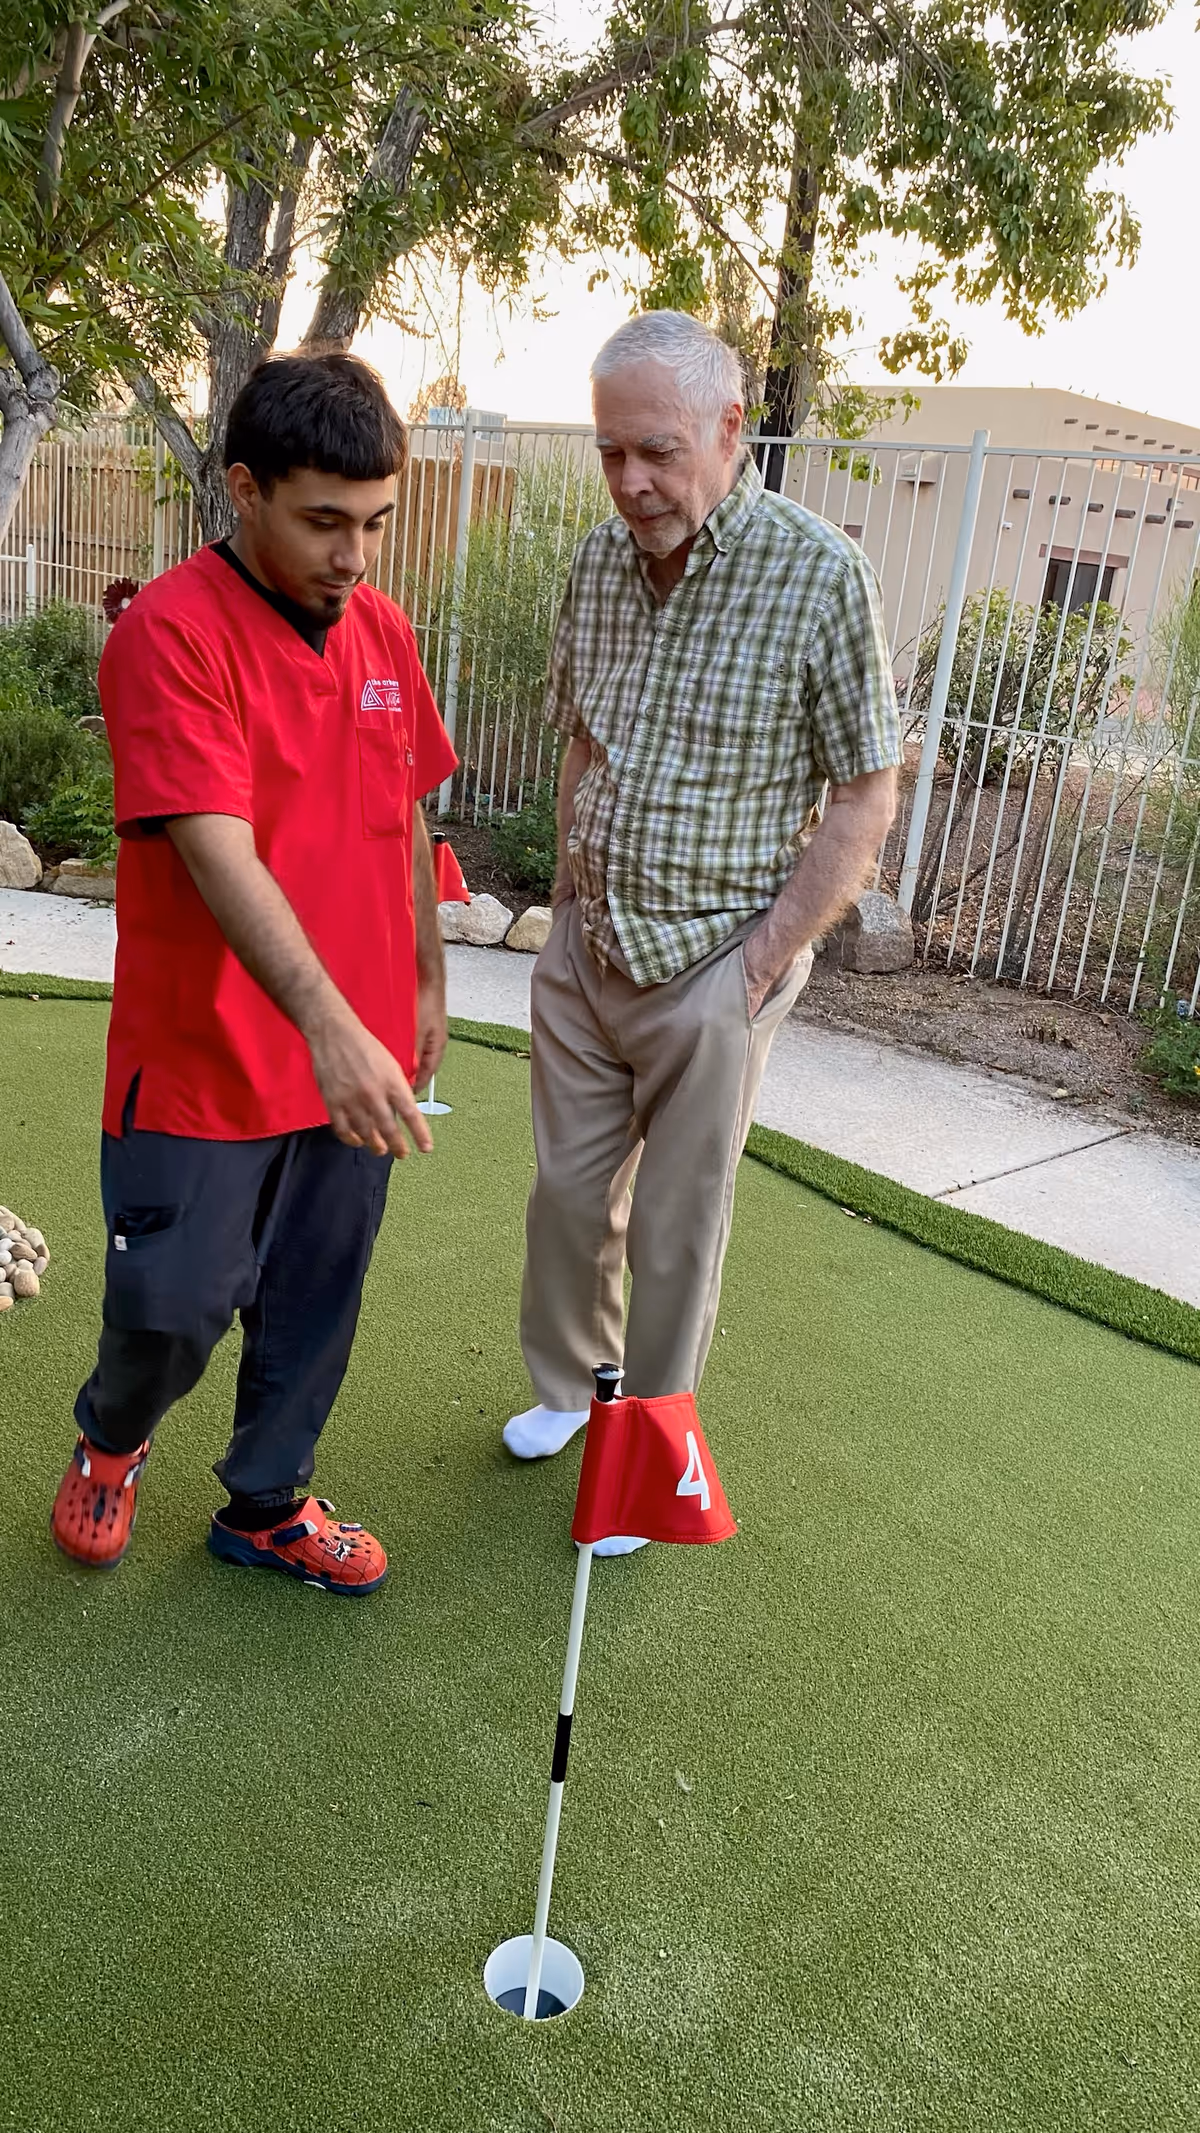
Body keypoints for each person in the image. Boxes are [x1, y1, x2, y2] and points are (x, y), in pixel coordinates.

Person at [51, 353, 457, 1596]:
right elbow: (215, 849)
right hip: (205, 1060)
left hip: (357, 1055)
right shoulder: (169, 635)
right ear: (244, 489)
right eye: (323, 520)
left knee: (317, 1294)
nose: (354, 554)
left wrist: (427, 984)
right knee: (171, 1309)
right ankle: (114, 1438)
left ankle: (268, 1503)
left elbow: (406, 819)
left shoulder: (383, 631)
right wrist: (335, 1024)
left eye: (375, 523)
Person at [504, 311, 902, 1555]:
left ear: (731, 432)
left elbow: (865, 790)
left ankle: (645, 1453)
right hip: (589, 944)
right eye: (613, 452)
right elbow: (580, 735)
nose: (632, 483)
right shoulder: (594, 562)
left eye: (659, 453)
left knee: (678, 1224)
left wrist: (769, 954)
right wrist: (567, 896)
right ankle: (574, 1391)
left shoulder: (818, 572)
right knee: (570, 1198)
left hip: (720, 958)